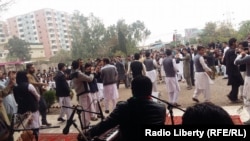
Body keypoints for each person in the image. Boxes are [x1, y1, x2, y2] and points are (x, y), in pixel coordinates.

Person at [86, 75, 166, 141]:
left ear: (132, 90)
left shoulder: (124, 107)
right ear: (150, 90)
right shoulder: (161, 108)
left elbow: (105, 124)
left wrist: (88, 133)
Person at [13, 71, 40, 140]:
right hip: (32, 108)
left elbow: (16, 100)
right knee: (35, 125)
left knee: (26, 127)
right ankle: (35, 138)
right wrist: (37, 101)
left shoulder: (15, 88)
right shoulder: (29, 86)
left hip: (22, 110)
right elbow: (37, 96)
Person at [70, 60, 94, 128]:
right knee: (85, 109)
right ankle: (85, 125)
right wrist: (92, 73)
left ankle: (86, 123)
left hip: (81, 92)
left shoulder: (73, 72)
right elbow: (89, 79)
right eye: (80, 63)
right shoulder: (78, 73)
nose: (82, 64)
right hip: (83, 93)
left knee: (85, 109)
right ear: (78, 65)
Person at [224, 38, 244, 103]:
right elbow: (234, 61)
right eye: (236, 42)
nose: (237, 43)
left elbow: (224, 61)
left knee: (235, 83)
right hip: (234, 70)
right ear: (233, 43)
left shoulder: (227, 51)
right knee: (238, 82)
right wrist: (241, 56)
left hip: (230, 70)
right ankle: (233, 97)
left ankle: (233, 96)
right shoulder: (232, 51)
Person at [234, 46, 250, 125]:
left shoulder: (248, 58)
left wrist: (240, 55)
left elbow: (236, 62)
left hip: (249, 79)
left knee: (247, 97)